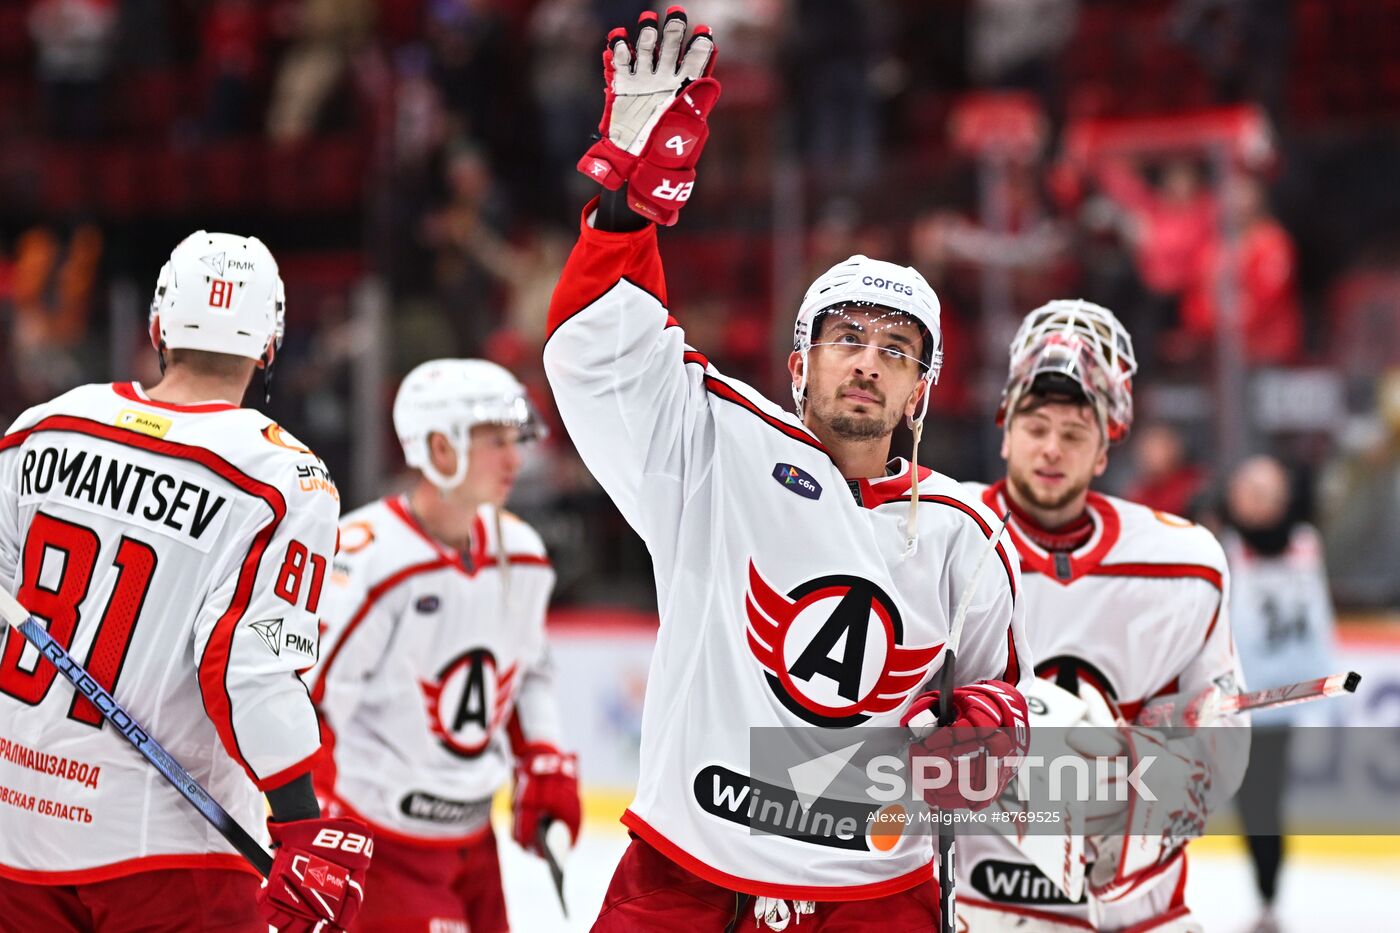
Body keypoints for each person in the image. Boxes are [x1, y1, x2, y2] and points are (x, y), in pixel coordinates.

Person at [545, 9, 1032, 930]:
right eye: (845, 336)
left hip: (872, 899)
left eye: (896, 349)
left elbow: (1001, 711)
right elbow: (597, 357)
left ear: (921, 392)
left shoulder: (965, 537)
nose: (867, 360)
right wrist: (628, 202)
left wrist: (991, 732)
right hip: (687, 875)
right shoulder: (717, 443)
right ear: (800, 362)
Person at [0, 231, 371, 932]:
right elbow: (247, 668)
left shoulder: (43, 429)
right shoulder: (282, 478)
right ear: (269, 344)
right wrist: (298, 823)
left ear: (157, 325)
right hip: (165, 857)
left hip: (15, 836)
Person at [957, 300, 1249, 932]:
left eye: (1074, 432)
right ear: (1005, 430)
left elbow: (1219, 741)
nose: (1051, 449)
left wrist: (1139, 822)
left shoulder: (1185, 562)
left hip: (1139, 913)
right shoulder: (936, 539)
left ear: (1104, 450)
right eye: (1036, 427)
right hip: (977, 909)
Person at [306, 359, 578, 933]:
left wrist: (543, 761)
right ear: (439, 447)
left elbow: (529, 672)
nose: (515, 459)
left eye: (515, 439)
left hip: (474, 847)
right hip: (377, 847)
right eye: (495, 442)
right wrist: (315, 830)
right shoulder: (369, 559)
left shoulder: (522, 551)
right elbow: (315, 704)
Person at [1220, 456, 1336, 933]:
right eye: (1248, 489)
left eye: (1266, 491)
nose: (1257, 500)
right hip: (1234, 698)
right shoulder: (1223, 548)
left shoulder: (1306, 543)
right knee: (1247, 799)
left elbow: (1320, 617)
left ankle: (1268, 893)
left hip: (1283, 697)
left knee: (1266, 798)